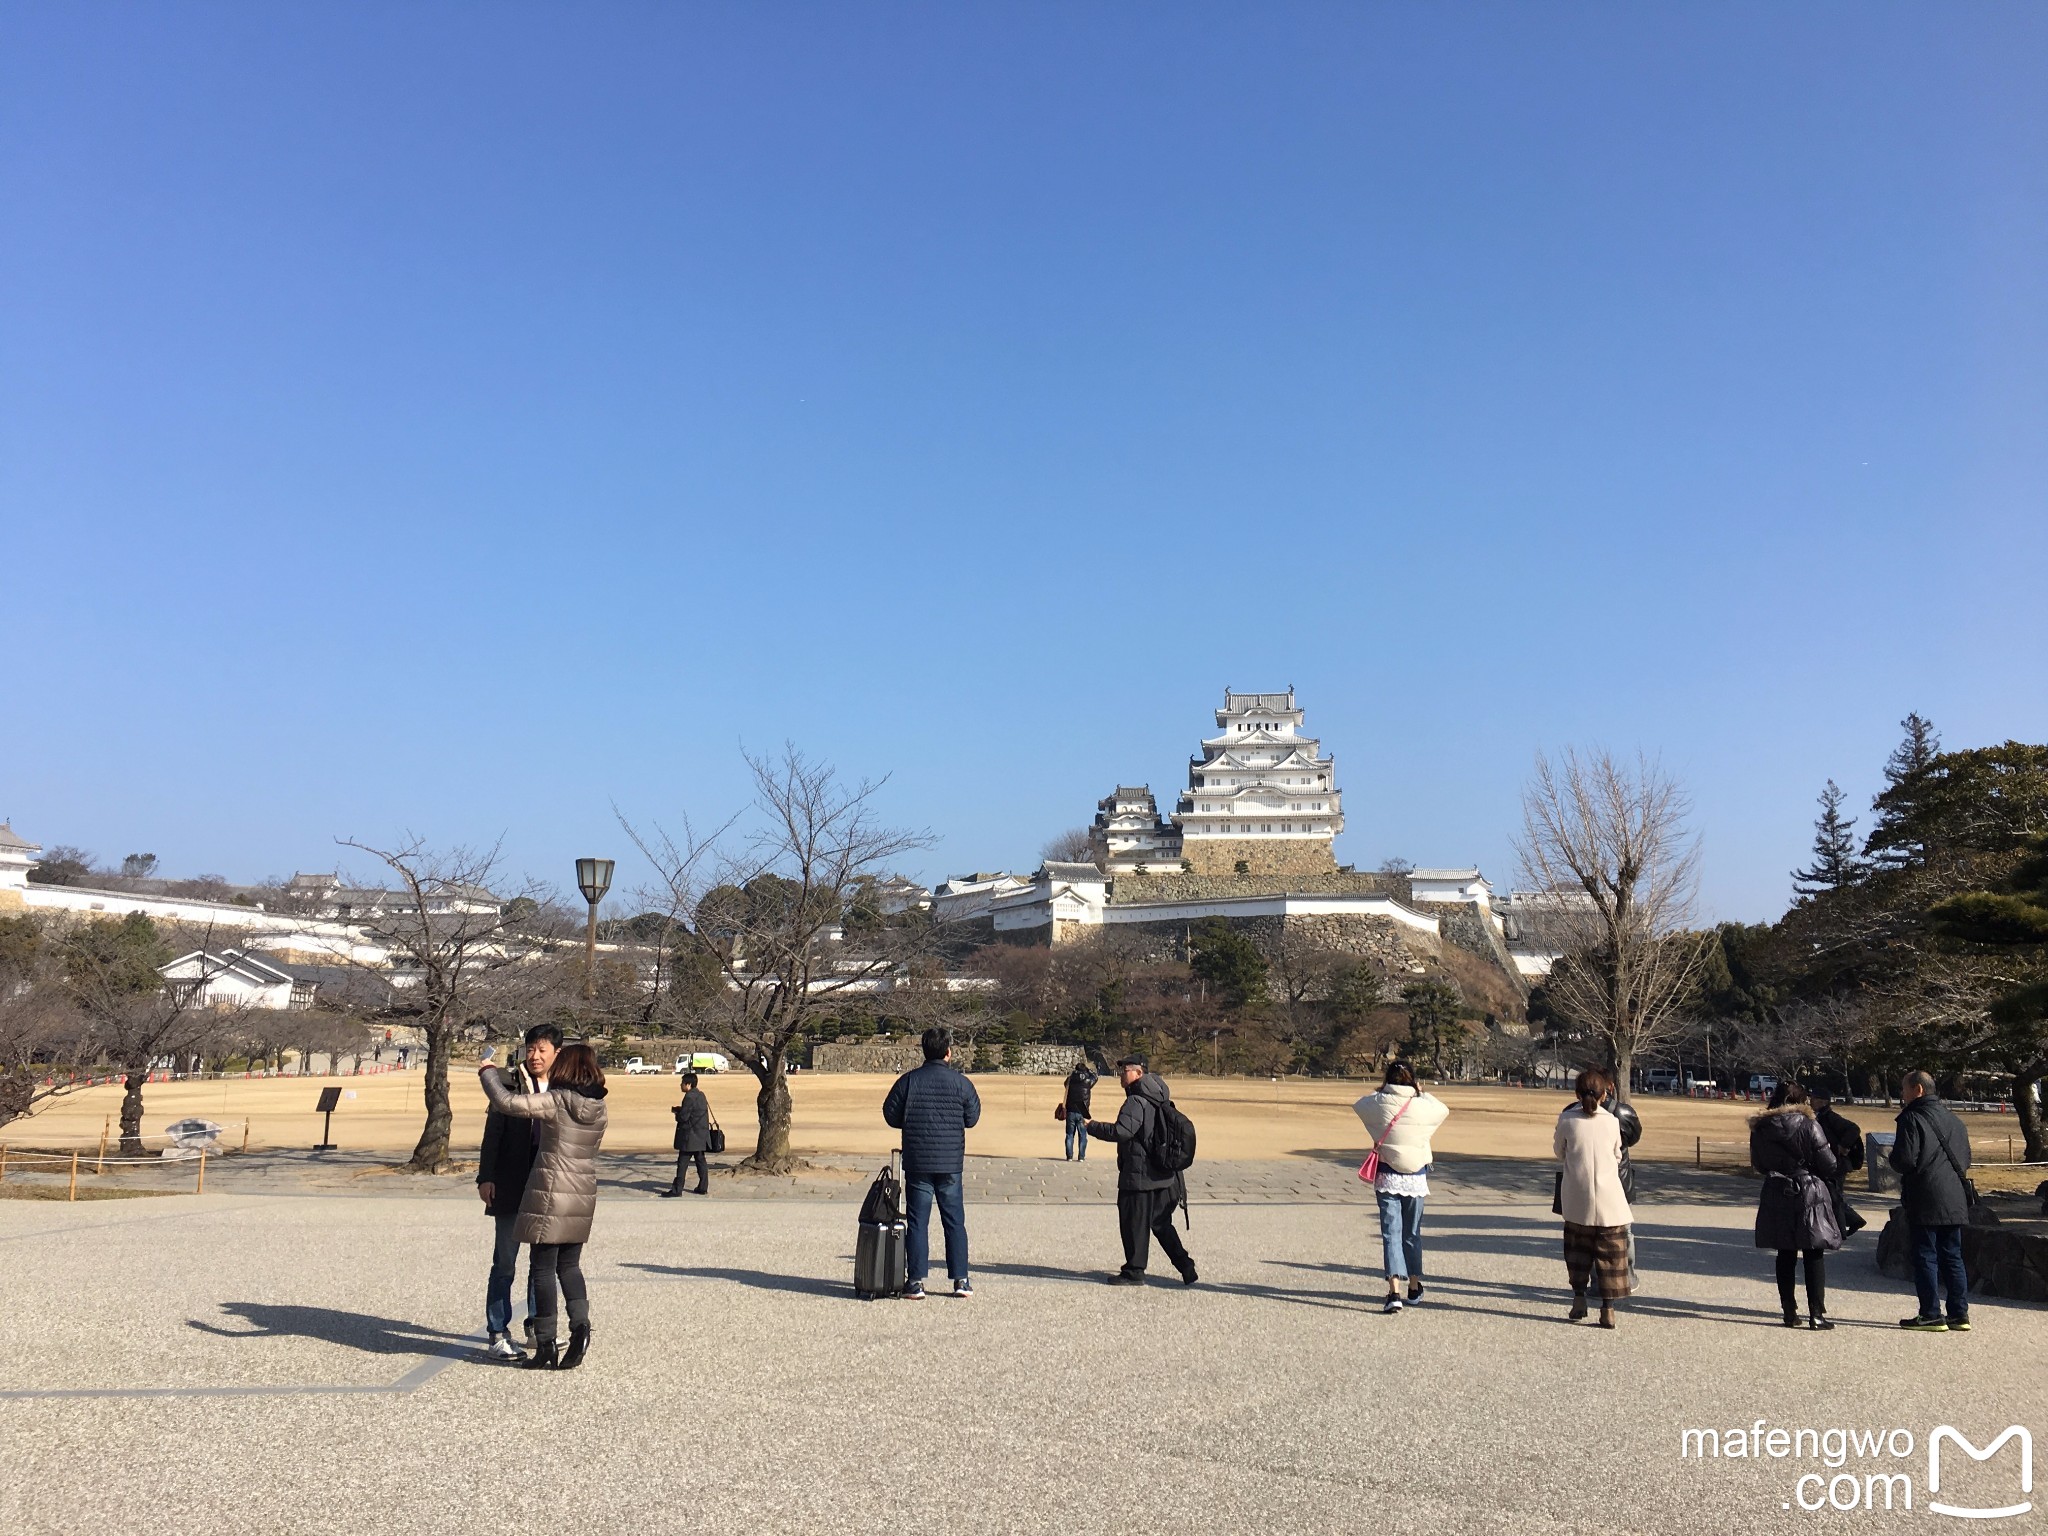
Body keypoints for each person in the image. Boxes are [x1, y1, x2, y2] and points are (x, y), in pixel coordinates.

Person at [476, 1041, 609, 1369]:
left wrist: (487, 1072)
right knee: (571, 1267)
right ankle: (581, 1329)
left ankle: (546, 1343)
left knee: (542, 1267)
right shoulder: (599, 1108)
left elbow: (507, 1102)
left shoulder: (558, 1100)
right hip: (582, 1193)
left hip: (551, 1192)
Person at [475, 1022, 558, 1360]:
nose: (536, 1056)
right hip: (510, 1181)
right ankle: (497, 1331)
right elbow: (492, 1132)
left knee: (542, 1263)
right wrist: (486, 1176)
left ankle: (538, 1328)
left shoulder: (563, 1087)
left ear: (557, 1053)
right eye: (532, 1048)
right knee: (505, 1263)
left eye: (543, 1049)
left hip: (546, 1187)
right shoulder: (508, 1083)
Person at [881, 1027, 983, 1300]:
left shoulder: (909, 1081)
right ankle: (961, 1279)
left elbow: (890, 1114)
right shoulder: (962, 1083)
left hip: (918, 1161)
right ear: (948, 1052)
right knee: (954, 1222)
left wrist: (910, 1119)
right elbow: (972, 1118)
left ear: (924, 1051)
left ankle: (915, 1281)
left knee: (917, 1222)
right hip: (950, 1161)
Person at [1087, 1055, 1196, 1288]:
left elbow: (1122, 1131)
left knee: (1133, 1222)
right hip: (1165, 1175)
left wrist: (1092, 1127)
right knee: (1161, 1223)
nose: (1120, 1075)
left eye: (1125, 1070)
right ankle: (1186, 1265)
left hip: (1140, 1174)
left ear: (1138, 1073)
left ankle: (1134, 1271)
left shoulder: (1136, 1100)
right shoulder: (1160, 1096)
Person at [1353, 1062, 1449, 1313]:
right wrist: (1421, 1092)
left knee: (1390, 1234)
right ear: (1412, 1080)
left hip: (1387, 1175)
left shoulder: (1379, 1102)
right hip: (1415, 1176)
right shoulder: (1421, 1105)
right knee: (1412, 1233)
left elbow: (1360, 1103)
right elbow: (1442, 1110)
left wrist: (1382, 1090)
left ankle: (1394, 1291)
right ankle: (1414, 1286)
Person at [1749, 1082, 1842, 1329]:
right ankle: (1817, 1314)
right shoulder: (1810, 1124)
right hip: (1808, 1188)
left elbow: (1758, 1164)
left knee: (1785, 1252)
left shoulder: (1760, 1128)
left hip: (1777, 1189)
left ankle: (1789, 1312)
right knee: (1813, 1250)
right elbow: (1830, 1164)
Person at [1889, 1069, 1973, 1332]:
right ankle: (1959, 1314)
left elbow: (1905, 1160)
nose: (1901, 1094)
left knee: (1925, 1254)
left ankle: (1930, 1313)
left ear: (1918, 1090)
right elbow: (1966, 1159)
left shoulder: (1911, 1118)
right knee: (1953, 1255)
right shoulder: (1955, 1121)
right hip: (1955, 1195)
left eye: (1904, 1088)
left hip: (1925, 1194)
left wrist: (1891, 1159)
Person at [1554, 1068, 1633, 1328]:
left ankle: (1578, 1298)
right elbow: (1618, 1155)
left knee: (1578, 1252)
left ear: (1576, 1094)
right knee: (1610, 1257)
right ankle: (1608, 1309)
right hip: (1610, 1199)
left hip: (1577, 1198)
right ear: (1604, 1094)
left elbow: (1559, 1151)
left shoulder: (1567, 1119)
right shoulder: (1611, 1121)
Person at [1810, 1090, 1867, 1237]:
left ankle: (1842, 1230)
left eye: (1814, 1098)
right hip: (1830, 1163)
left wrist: (1844, 1145)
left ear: (1824, 1101)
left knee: (1835, 1199)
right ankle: (1853, 1221)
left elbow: (1853, 1128)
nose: (1811, 1101)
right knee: (1833, 1197)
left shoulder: (1830, 1117)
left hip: (1838, 1164)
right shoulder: (1820, 1117)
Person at [664, 1071, 712, 1197]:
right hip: (701, 1135)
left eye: (682, 1083)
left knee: (682, 1162)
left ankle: (677, 1189)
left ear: (688, 1084)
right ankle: (703, 1187)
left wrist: (677, 1114)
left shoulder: (689, 1097)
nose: (681, 1085)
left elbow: (684, 1117)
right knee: (700, 1161)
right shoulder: (701, 1095)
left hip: (690, 1136)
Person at [1061, 1060, 1097, 1161]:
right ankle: (1081, 1156)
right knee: (1083, 1135)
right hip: (1083, 1109)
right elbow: (1095, 1077)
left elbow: (1065, 1084)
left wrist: (1073, 1073)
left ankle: (1069, 1156)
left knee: (1069, 1134)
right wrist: (1088, 1071)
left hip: (1071, 1109)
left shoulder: (1070, 1079)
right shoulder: (1088, 1081)